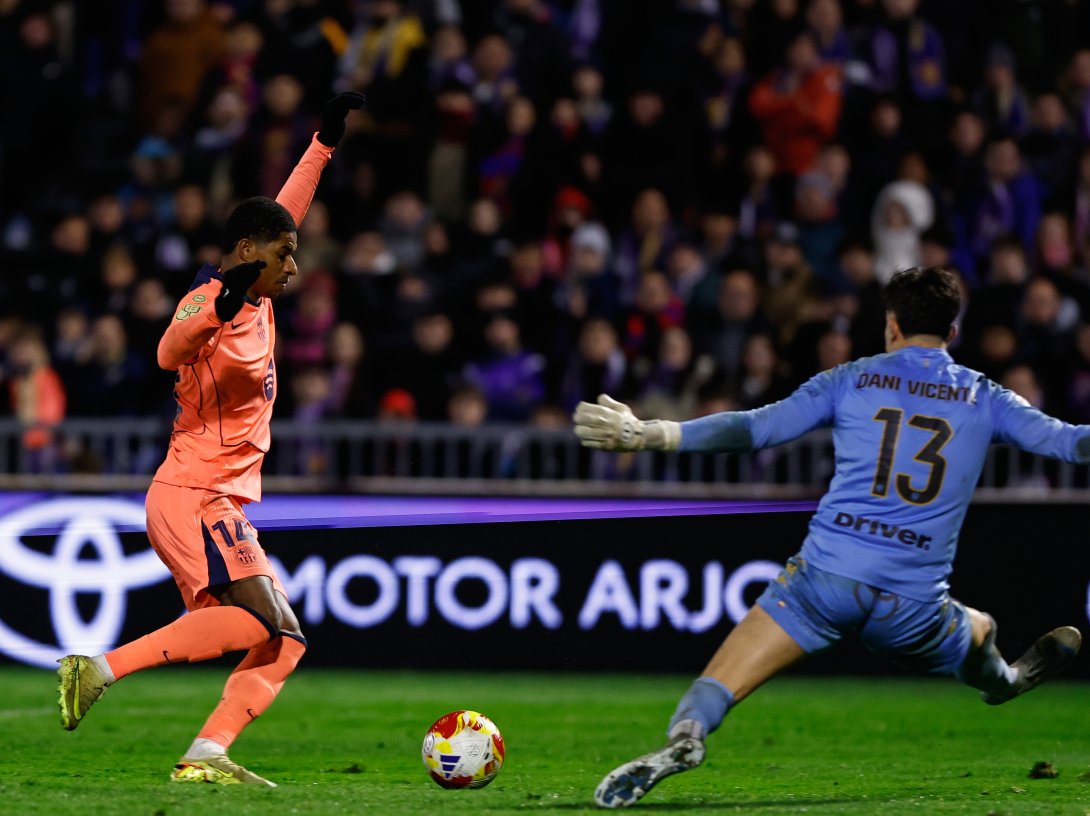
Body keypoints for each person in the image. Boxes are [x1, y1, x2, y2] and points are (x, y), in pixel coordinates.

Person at [573, 266, 1084, 809]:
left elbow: (755, 428)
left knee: (715, 685)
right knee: (982, 627)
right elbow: (1071, 445)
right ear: (952, 333)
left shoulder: (852, 379)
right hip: (910, 606)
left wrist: (653, 433)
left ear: (891, 325)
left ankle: (687, 738)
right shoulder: (986, 397)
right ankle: (1001, 682)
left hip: (823, 582)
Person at [56, 92, 366, 787]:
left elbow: (284, 210)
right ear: (249, 252)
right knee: (265, 623)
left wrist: (323, 144)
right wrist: (216, 309)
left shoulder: (255, 292)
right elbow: (169, 350)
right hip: (194, 495)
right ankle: (96, 669)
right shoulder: (209, 298)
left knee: (282, 638)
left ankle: (207, 753)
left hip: (216, 497)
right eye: (285, 255)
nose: (295, 267)